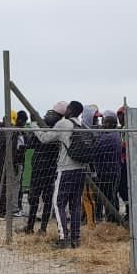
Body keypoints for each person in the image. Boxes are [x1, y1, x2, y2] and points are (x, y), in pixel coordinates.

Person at [35, 101, 88, 249]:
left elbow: (44, 138)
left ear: (70, 110)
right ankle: (75, 239)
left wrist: (34, 126)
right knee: (76, 205)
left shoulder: (64, 124)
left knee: (58, 204)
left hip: (66, 169)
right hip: (81, 169)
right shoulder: (82, 125)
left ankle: (63, 238)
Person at [23, 103, 65, 233]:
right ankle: (43, 228)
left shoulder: (43, 122)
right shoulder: (60, 125)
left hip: (39, 164)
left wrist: (33, 123)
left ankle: (30, 226)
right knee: (48, 198)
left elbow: (30, 143)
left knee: (34, 196)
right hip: (52, 165)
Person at [94, 112, 123, 223]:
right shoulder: (110, 134)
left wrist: (96, 139)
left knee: (109, 197)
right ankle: (111, 219)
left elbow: (97, 148)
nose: (102, 125)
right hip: (106, 171)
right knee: (107, 196)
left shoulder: (112, 136)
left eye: (105, 123)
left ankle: (113, 219)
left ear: (112, 124)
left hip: (110, 172)